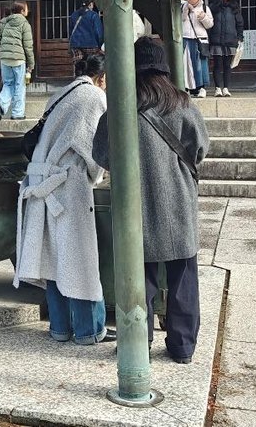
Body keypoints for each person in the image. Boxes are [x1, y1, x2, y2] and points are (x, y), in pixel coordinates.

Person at [92, 37, 208, 364]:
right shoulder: (183, 104)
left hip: (135, 204)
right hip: (178, 200)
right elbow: (200, 149)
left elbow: (100, 153)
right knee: (183, 274)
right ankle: (183, 347)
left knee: (138, 275)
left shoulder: (121, 106)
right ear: (165, 68)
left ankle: (138, 342)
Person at [15, 54, 111, 344]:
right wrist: (97, 174)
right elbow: (94, 147)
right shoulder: (94, 96)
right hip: (69, 186)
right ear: (103, 77)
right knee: (80, 257)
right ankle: (88, 330)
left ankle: (59, 327)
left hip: (43, 182)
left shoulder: (60, 95)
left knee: (54, 256)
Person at [0, 2, 35, 121]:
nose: (28, 10)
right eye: (26, 8)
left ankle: (1, 105)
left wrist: (4, 49)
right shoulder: (24, 24)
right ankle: (17, 113)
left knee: (8, 83)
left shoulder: (4, 22)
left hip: (4, 58)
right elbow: (28, 46)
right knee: (20, 85)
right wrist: (31, 64)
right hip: (18, 59)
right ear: (22, 11)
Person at [208, 0, 244, 97]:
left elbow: (240, 23)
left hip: (230, 40)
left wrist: (240, 37)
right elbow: (209, 24)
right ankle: (218, 88)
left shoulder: (234, 7)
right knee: (217, 64)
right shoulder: (213, 7)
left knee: (227, 65)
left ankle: (226, 88)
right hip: (216, 39)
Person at [180, 0, 213, 98]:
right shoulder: (183, 6)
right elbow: (181, 20)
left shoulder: (204, 8)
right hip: (186, 37)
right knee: (187, 63)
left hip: (199, 39)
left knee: (201, 64)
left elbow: (210, 25)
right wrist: (186, 9)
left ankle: (202, 88)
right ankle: (188, 88)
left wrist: (203, 17)